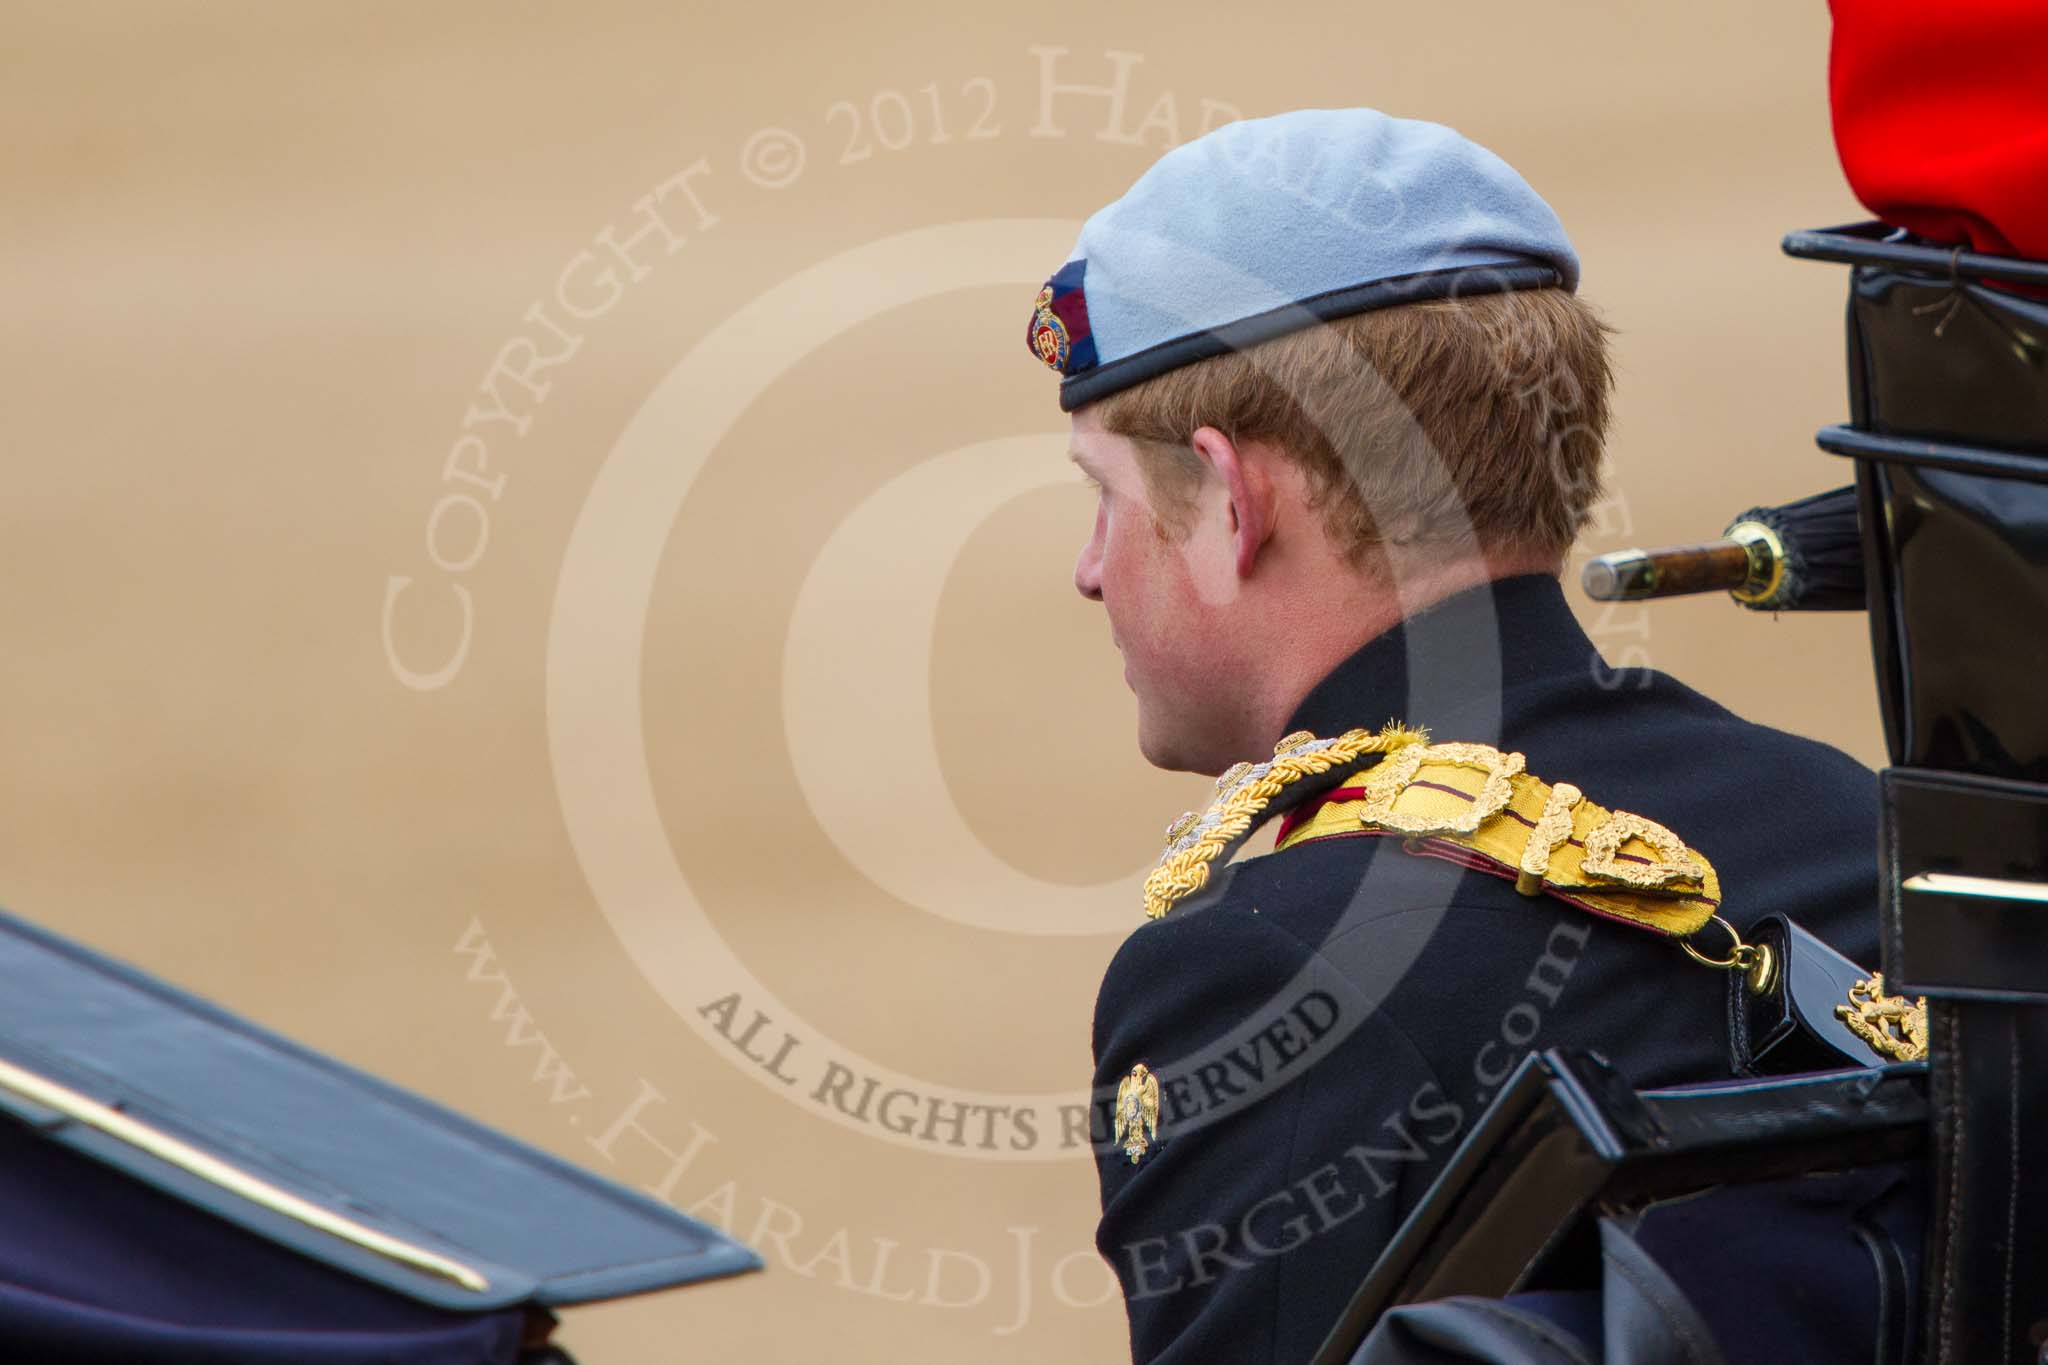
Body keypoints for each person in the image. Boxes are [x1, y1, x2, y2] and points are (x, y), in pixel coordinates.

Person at [1023, 108, 1883, 1363]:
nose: (1091, 571)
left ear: (1227, 499)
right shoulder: (1854, 827)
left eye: (1104, 498)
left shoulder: (1271, 965)